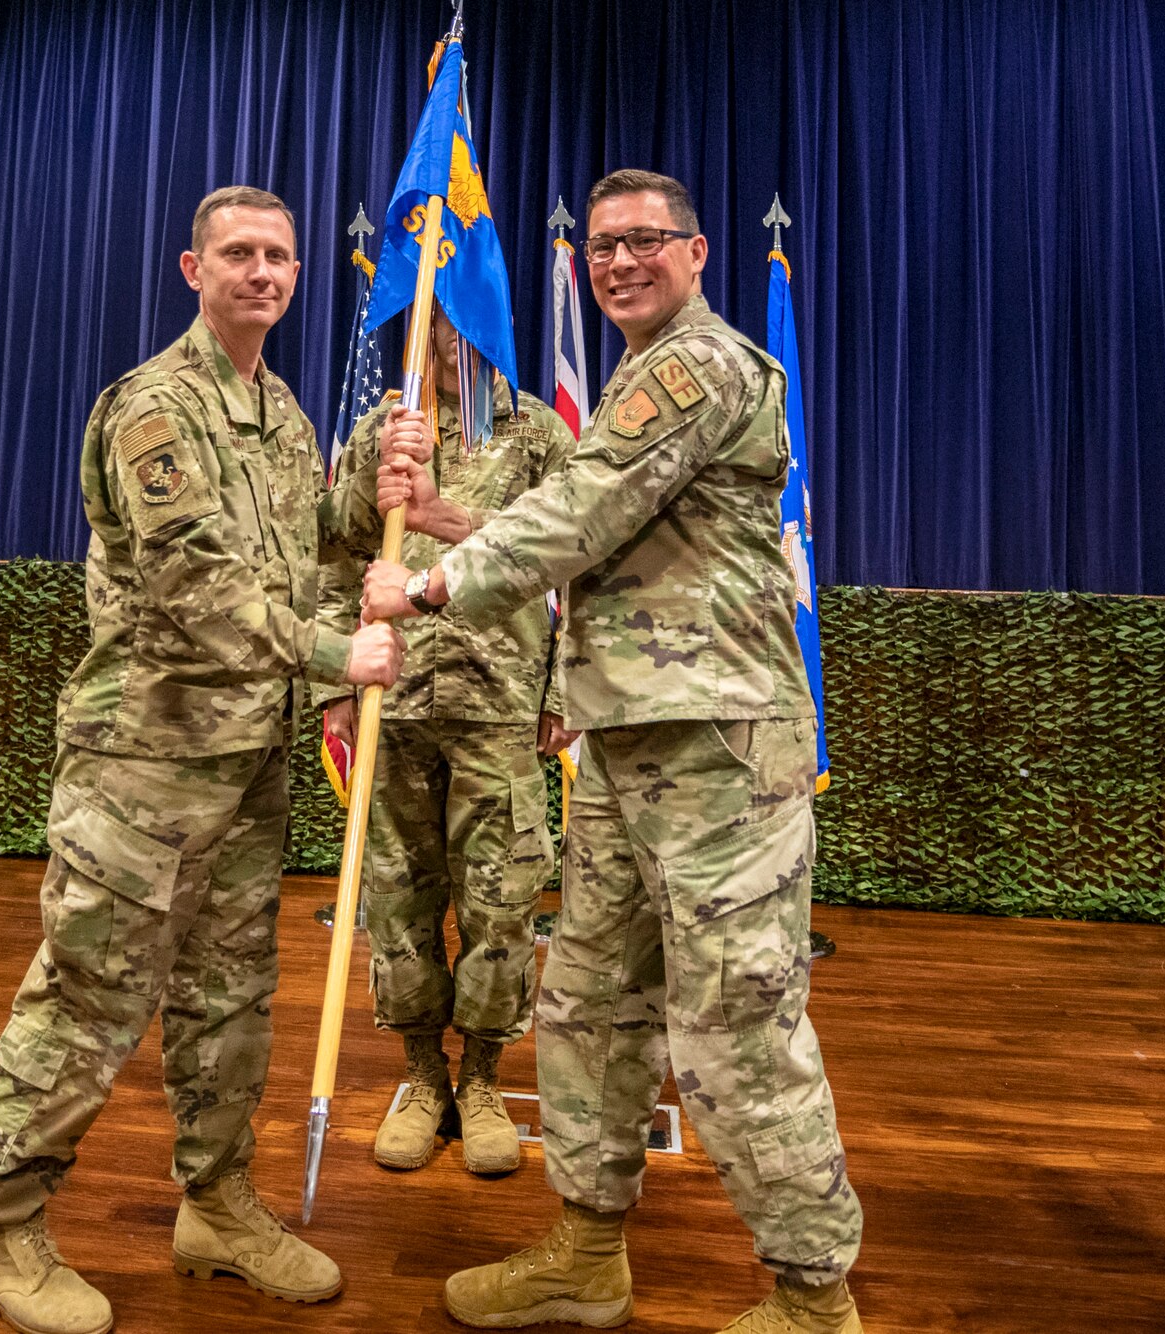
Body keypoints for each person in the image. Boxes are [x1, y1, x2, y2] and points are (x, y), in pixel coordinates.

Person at [363, 169, 864, 1334]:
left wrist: (428, 584)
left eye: (646, 240)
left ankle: (811, 1296)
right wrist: (445, 523)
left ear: (694, 253)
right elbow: (601, 530)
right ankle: (585, 1250)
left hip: (716, 750)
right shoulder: (646, 373)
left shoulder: (697, 363)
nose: (620, 259)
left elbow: (579, 508)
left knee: (737, 1020)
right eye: (601, 244)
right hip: (628, 741)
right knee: (587, 1003)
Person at [0, 185, 404, 1334]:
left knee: (229, 994)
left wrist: (378, 489)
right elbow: (194, 587)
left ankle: (215, 1205)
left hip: (246, 753)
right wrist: (331, 652)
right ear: (190, 269)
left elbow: (302, 553)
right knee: (88, 992)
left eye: (280, 257)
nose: (263, 272)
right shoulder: (155, 408)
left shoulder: (284, 412)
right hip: (143, 761)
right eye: (239, 254)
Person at [318, 308, 577, 1177]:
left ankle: (485, 1081)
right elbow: (333, 554)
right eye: (438, 321)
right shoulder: (381, 432)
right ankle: (423, 1076)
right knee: (398, 904)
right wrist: (335, 686)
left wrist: (566, 689)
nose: (450, 338)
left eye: (470, 322)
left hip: (499, 700)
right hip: (394, 703)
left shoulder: (538, 433)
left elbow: (573, 563)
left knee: (501, 906)